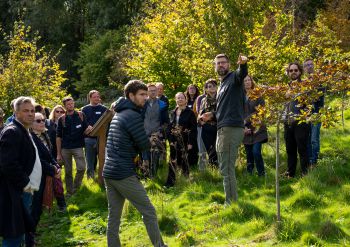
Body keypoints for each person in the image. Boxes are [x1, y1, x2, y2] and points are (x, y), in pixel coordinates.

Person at [103, 80, 167, 247]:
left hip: (109, 171)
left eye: (146, 94)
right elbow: (144, 144)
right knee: (149, 211)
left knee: (114, 215)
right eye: (141, 94)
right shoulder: (131, 115)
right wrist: (150, 139)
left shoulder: (120, 112)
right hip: (122, 172)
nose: (145, 98)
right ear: (131, 96)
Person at [201, 53, 248, 204]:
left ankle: (231, 204)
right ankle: (231, 201)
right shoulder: (222, 84)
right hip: (223, 128)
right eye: (218, 63)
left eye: (223, 63)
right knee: (224, 168)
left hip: (231, 129)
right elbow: (226, 109)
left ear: (229, 65)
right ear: (215, 66)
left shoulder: (234, 78)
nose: (221, 65)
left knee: (226, 169)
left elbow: (242, 74)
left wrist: (243, 64)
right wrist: (212, 115)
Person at [0, 96, 41, 247]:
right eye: (25, 111)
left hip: (24, 191)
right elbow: (8, 164)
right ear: (16, 113)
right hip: (16, 192)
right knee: (14, 235)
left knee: (20, 233)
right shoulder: (12, 131)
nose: (30, 114)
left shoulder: (24, 130)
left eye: (32, 110)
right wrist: (25, 184)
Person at [27, 112, 62, 246]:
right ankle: (29, 238)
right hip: (35, 177)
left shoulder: (44, 135)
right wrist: (52, 169)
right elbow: (37, 160)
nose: (42, 123)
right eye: (38, 121)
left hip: (45, 175)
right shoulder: (30, 138)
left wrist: (56, 165)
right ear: (31, 124)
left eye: (43, 120)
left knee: (39, 205)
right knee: (34, 207)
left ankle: (32, 232)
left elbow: (49, 154)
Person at [56, 97, 92, 195]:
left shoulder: (81, 115)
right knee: (68, 171)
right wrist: (58, 153)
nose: (71, 105)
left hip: (78, 146)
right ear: (65, 106)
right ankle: (69, 191)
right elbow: (58, 136)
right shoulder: (61, 119)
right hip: (65, 148)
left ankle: (76, 188)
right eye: (68, 104)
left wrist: (89, 129)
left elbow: (86, 128)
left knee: (81, 168)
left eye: (72, 103)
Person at [284, 62, 310, 177]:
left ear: (300, 72)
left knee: (302, 148)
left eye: (295, 70)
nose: (293, 72)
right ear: (288, 72)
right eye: (291, 70)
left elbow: (309, 104)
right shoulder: (285, 87)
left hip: (301, 122)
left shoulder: (305, 86)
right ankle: (290, 173)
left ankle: (305, 173)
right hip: (288, 122)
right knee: (290, 149)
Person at [165, 92, 197, 187]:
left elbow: (193, 129)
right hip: (173, 141)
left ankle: (185, 182)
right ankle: (170, 183)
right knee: (172, 161)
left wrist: (191, 142)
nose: (180, 99)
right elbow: (169, 127)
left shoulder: (190, 112)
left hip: (185, 141)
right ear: (175, 100)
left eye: (182, 98)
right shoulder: (172, 112)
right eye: (178, 98)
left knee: (184, 161)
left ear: (185, 99)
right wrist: (170, 140)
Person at [242, 75, 268, 176]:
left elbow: (260, 111)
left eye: (249, 80)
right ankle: (250, 175)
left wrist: (246, 120)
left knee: (256, 152)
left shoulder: (258, 95)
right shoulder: (240, 96)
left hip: (257, 128)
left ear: (252, 82)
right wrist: (243, 126)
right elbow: (237, 112)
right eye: (245, 81)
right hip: (245, 129)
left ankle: (262, 174)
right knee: (249, 154)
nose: (247, 82)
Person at [142, 83, 169, 177]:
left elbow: (166, 122)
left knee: (155, 156)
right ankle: (145, 177)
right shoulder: (142, 103)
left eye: (154, 90)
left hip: (156, 135)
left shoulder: (162, 104)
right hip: (143, 134)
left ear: (157, 91)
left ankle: (153, 177)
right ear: (147, 92)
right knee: (145, 157)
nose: (153, 92)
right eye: (150, 90)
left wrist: (159, 132)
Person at [81, 90, 108, 179]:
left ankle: (103, 177)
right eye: (95, 97)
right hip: (89, 139)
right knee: (90, 160)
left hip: (102, 139)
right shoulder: (84, 109)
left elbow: (108, 122)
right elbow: (82, 123)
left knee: (103, 159)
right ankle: (90, 177)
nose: (97, 98)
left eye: (98, 96)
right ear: (90, 98)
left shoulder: (104, 109)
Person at [304, 59, 324, 166]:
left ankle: (314, 161)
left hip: (316, 113)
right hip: (305, 115)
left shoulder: (319, 80)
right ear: (304, 68)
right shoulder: (302, 83)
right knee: (307, 138)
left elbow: (319, 96)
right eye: (307, 65)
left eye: (311, 64)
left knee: (314, 139)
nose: (309, 66)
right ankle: (309, 160)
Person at [198, 79, 218, 167]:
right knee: (208, 148)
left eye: (214, 85)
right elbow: (200, 113)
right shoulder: (203, 100)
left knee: (216, 148)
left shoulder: (221, 98)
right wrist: (200, 121)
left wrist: (212, 115)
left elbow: (223, 112)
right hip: (206, 127)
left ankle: (216, 167)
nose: (212, 88)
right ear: (206, 89)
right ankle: (212, 168)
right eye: (209, 86)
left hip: (218, 127)